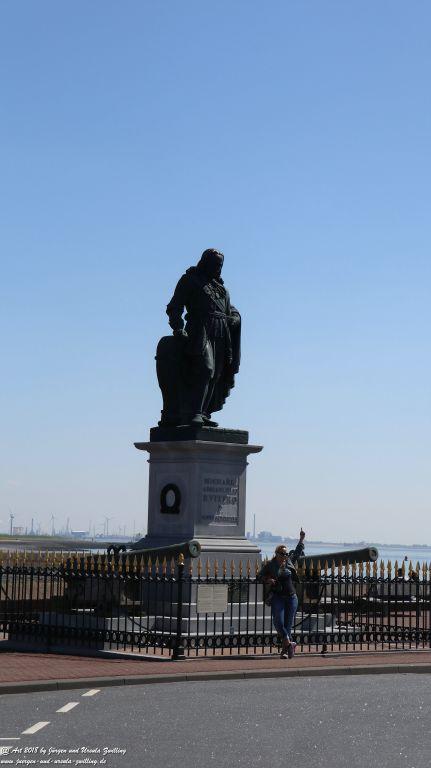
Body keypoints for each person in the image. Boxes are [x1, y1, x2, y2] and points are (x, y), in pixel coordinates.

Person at [165, 249, 241, 426]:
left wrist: (235, 317)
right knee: (206, 369)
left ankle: (204, 413)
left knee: (217, 374)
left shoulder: (222, 290)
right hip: (200, 331)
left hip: (222, 334)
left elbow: (230, 310)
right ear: (205, 262)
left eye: (220, 265)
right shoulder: (190, 280)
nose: (218, 268)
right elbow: (175, 306)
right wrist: (178, 328)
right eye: (215, 264)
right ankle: (194, 412)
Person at [259, 529, 305, 659]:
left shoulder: (289, 561)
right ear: (277, 553)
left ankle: (286, 651)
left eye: (285, 553)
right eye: (282, 553)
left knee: (287, 624)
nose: (285, 555)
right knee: (278, 621)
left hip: (291, 597)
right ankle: (290, 643)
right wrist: (267, 580)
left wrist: (301, 539)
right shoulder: (270, 565)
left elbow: (297, 552)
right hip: (278, 597)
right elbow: (259, 576)